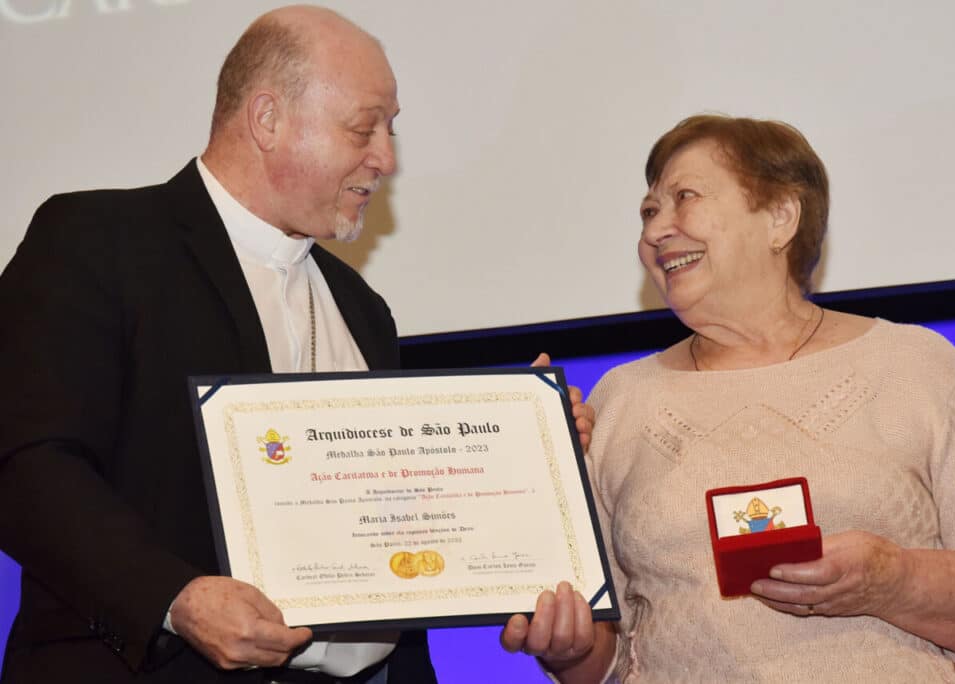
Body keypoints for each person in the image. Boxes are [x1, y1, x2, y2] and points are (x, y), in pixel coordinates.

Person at [0, 6, 592, 683]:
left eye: (390, 130)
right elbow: (27, 463)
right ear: (268, 120)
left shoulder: (362, 310)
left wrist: (519, 450)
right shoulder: (100, 240)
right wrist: (175, 598)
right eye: (363, 127)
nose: (387, 159)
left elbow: (395, 517)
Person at [500, 114, 955, 682]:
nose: (655, 231)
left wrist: (892, 579)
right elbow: (612, 655)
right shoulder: (621, 399)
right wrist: (570, 650)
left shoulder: (916, 364)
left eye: (685, 198)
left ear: (780, 217)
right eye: (649, 212)